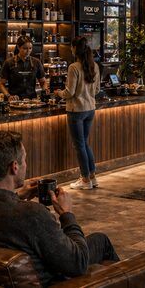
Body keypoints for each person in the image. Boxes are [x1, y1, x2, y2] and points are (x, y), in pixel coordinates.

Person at [0, 131, 118, 286]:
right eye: (24, 159)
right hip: (48, 280)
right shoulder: (32, 215)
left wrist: (16, 195)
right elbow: (78, 263)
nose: (25, 164)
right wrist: (67, 214)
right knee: (101, 241)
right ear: (14, 167)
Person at [54, 37, 101, 190]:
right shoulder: (94, 66)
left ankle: (85, 180)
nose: (70, 49)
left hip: (76, 110)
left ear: (75, 48)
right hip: (90, 109)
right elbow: (97, 90)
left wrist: (58, 93)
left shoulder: (73, 67)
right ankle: (92, 177)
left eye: (71, 47)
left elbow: (69, 92)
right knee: (85, 144)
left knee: (79, 145)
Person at [0, 36, 47, 100]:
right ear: (18, 47)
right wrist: (8, 96)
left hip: (32, 101)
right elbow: (1, 84)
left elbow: (43, 82)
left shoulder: (36, 62)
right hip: (15, 100)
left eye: (30, 48)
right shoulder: (9, 62)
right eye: (25, 48)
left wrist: (44, 90)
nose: (28, 51)